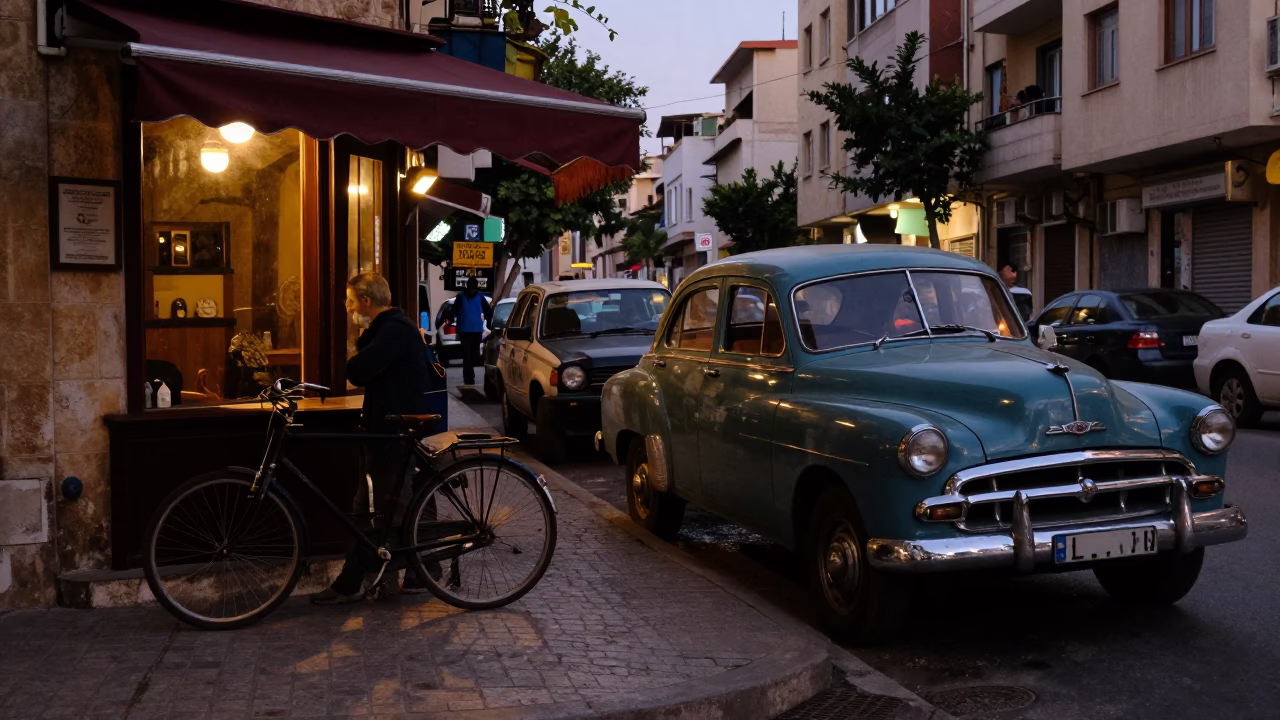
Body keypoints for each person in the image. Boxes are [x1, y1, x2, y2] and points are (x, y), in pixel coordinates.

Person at [312, 272, 433, 605]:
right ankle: (411, 574)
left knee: (387, 508)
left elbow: (358, 370)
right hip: (385, 427)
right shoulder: (392, 328)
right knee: (378, 506)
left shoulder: (393, 330)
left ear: (366, 301)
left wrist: (359, 340)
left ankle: (363, 581)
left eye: (351, 301)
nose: (349, 308)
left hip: (392, 430)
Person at [445, 277, 492, 386]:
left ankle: (470, 374)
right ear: (468, 287)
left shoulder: (480, 297)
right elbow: (454, 310)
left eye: (474, 288)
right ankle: (469, 380)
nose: (472, 290)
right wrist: (451, 319)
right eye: (471, 288)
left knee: (474, 355)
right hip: (464, 331)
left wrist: (487, 321)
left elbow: (488, 311)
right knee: (467, 356)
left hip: (476, 331)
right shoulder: (461, 297)